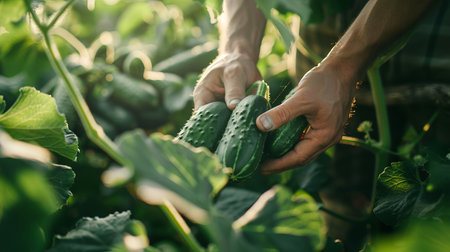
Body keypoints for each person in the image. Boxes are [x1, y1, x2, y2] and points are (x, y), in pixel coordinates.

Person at [193, 0, 438, 174]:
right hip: (319, 87)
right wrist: (238, 50)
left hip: (436, 77)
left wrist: (343, 66)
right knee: (344, 200)